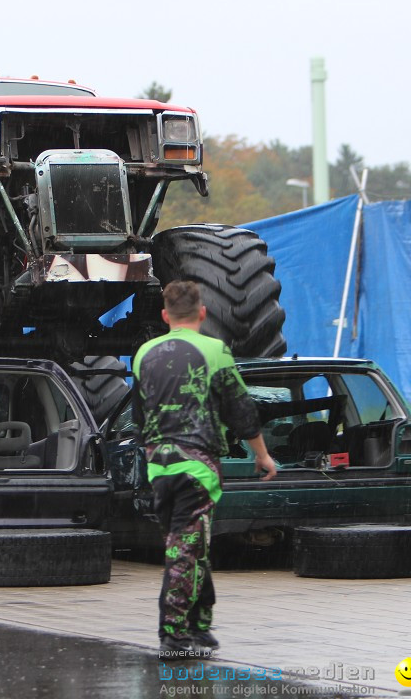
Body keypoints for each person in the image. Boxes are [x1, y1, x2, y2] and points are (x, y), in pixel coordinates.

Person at [132, 280, 276, 659]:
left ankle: (200, 626)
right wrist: (262, 455)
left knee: (191, 545)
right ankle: (174, 636)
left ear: (165, 316)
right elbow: (241, 409)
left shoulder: (143, 354)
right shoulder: (215, 351)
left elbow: (138, 414)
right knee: (185, 550)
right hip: (197, 469)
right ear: (202, 313)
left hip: (159, 469)